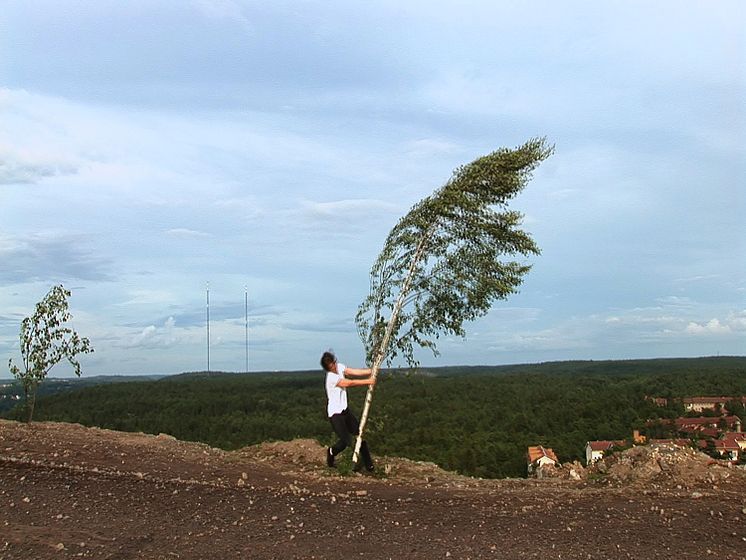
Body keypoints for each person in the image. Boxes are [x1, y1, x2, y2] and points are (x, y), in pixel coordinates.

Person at [320, 350, 376, 472]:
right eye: (331, 367)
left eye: (334, 363)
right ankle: (331, 452)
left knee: (360, 435)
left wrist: (371, 370)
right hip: (335, 414)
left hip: (345, 411)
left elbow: (353, 372)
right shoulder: (331, 378)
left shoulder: (339, 367)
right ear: (327, 368)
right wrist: (368, 381)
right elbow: (349, 383)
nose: (334, 367)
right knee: (345, 441)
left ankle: (369, 465)